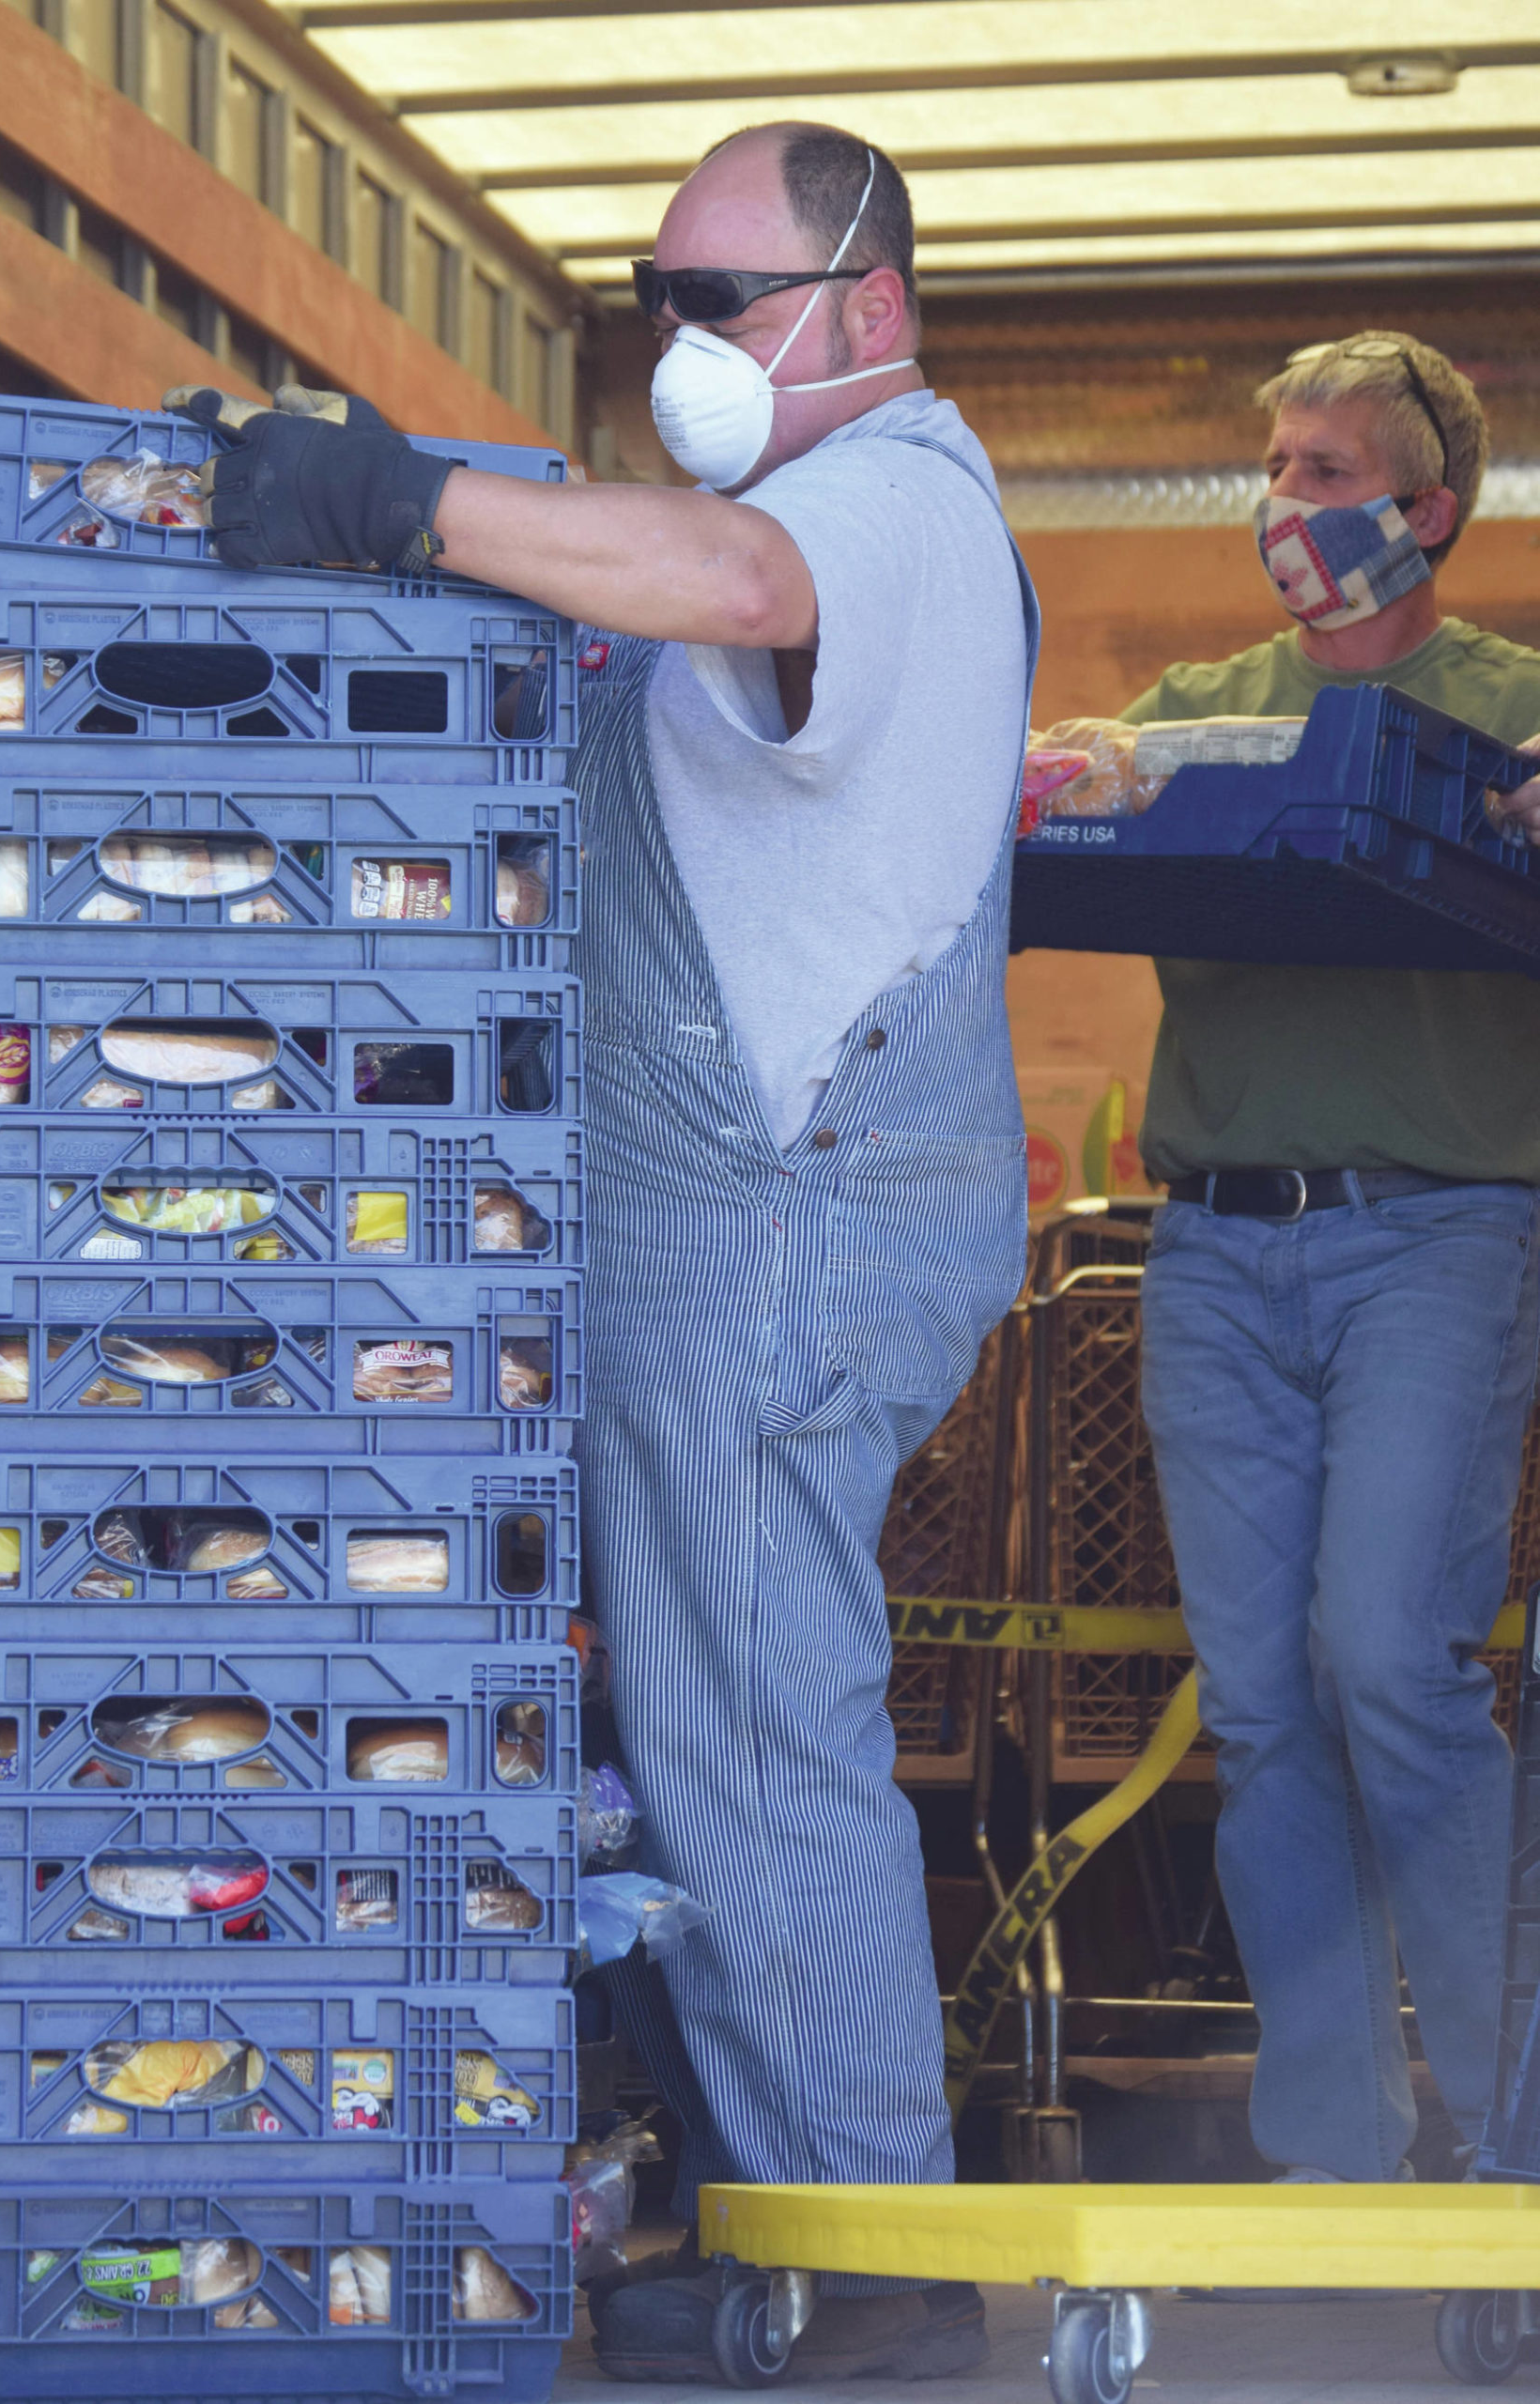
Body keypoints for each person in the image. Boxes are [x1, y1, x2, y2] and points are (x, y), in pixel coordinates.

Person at [167, 118, 1036, 2381]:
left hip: (782, 1211)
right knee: (719, 1715)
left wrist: (406, 502)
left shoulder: (894, 505)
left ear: (863, 305)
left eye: (716, 301)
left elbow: (734, 587)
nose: (679, 344)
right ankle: (782, 2206)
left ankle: (872, 2264)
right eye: (656, 298)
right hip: (718, 1210)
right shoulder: (815, 500)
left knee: (759, 1727)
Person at [1122, 331, 1540, 2184]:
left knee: (1386, 1655)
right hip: (1210, 1250)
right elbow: (1074, 812)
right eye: (1276, 468)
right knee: (1265, 1705)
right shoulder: (1192, 707)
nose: (1289, 505)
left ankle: (1513, 2137)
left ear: (1425, 510)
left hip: (1436, 1232)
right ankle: (1330, 2159)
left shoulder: (1513, 719)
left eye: (1327, 472)